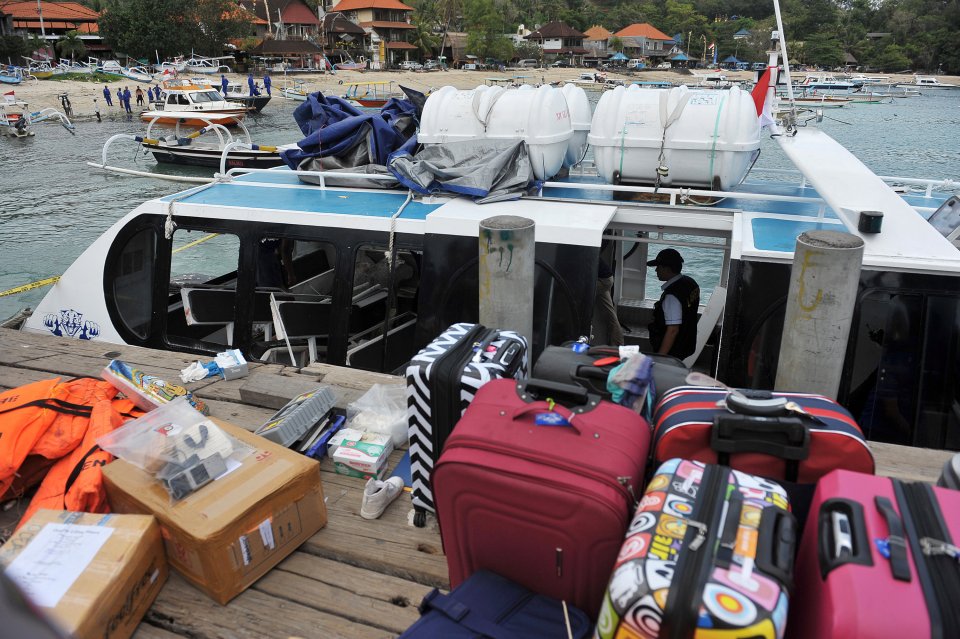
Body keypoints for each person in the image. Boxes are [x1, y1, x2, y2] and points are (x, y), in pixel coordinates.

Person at [647, 248, 700, 359]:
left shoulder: (672, 296)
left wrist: (661, 358)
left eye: (658, 267)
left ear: (667, 269)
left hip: (673, 351)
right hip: (686, 344)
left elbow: (672, 330)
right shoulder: (690, 283)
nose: (656, 270)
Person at [592, 239, 623, 346]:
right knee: (611, 315)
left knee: (576, 297)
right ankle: (618, 347)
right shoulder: (592, 243)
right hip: (606, 277)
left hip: (602, 280)